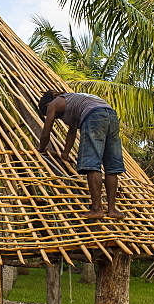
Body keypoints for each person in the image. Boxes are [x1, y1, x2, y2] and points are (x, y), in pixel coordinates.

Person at [37, 90, 125, 219]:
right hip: (111, 115)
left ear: (47, 105)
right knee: (111, 166)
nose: (55, 117)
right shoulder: (74, 101)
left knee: (92, 163)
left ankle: (96, 209)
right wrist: (65, 154)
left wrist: (41, 148)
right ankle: (112, 210)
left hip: (94, 116)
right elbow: (72, 132)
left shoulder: (53, 104)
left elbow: (46, 132)